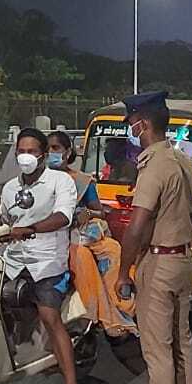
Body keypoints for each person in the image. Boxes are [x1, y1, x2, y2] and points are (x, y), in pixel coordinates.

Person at [115, 91, 192, 384]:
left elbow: (137, 226)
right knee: (182, 345)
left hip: (160, 263)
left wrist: (123, 272)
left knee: (157, 351)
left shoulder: (153, 167)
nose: (131, 130)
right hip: (183, 259)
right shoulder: (183, 161)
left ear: (143, 124)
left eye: (132, 124)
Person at [0, 128, 84, 384]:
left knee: (49, 317)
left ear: (44, 155)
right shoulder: (10, 188)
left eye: (32, 151)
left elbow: (63, 217)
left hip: (48, 263)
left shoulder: (61, 182)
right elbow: (3, 221)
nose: (26, 157)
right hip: (13, 261)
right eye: (21, 151)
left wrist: (31, 229)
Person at [48, 131, 137, 337]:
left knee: (113, 250)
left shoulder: (82, 181)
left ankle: (122, 307)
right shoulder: (39, 181)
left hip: (81, 234)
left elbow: (99, 211)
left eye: (56, 148)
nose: (51, 153)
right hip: (53, 238)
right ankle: (99, 313)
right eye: (48, 149)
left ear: (67, 152)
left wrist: (87, 213)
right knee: (81, 257)